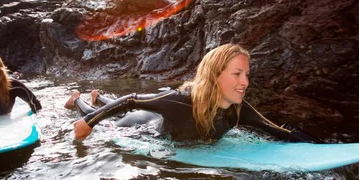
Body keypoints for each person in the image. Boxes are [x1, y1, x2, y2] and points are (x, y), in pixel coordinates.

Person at [65, 43, 318, 143]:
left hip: (154, 116)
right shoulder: (181, 101)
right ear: (215, 75)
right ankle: (79, 99)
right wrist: (88, 124)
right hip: (139, 127)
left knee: (126, 106)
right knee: (103, 116)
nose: (245, 82)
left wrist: (320, 146)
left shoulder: (239, 111)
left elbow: (278, 130)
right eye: (237, 74)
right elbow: (131, 100)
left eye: (246, 75)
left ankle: (99, 97)